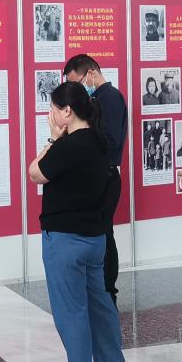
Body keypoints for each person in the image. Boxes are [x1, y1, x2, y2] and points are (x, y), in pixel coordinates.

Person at [29, 81, 127, 362]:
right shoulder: (99, 140)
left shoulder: (67, 146)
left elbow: (35, 172)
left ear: (67, 111)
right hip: (94, 239)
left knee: (70, 309)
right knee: (98, 302)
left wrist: (52, 138)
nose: (51, 114)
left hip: (65, 241)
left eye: (53, 108)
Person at [63, 55, 128, 309]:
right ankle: (99, 291)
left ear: (90, 73)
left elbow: (111, 141)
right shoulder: (95, 100)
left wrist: (83, 140)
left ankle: (108, 292)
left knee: (104, 235)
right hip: (96, 177)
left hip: (106, 177)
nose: (76, 89)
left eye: (77, 83)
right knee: (96, 234)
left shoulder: (109, 98)